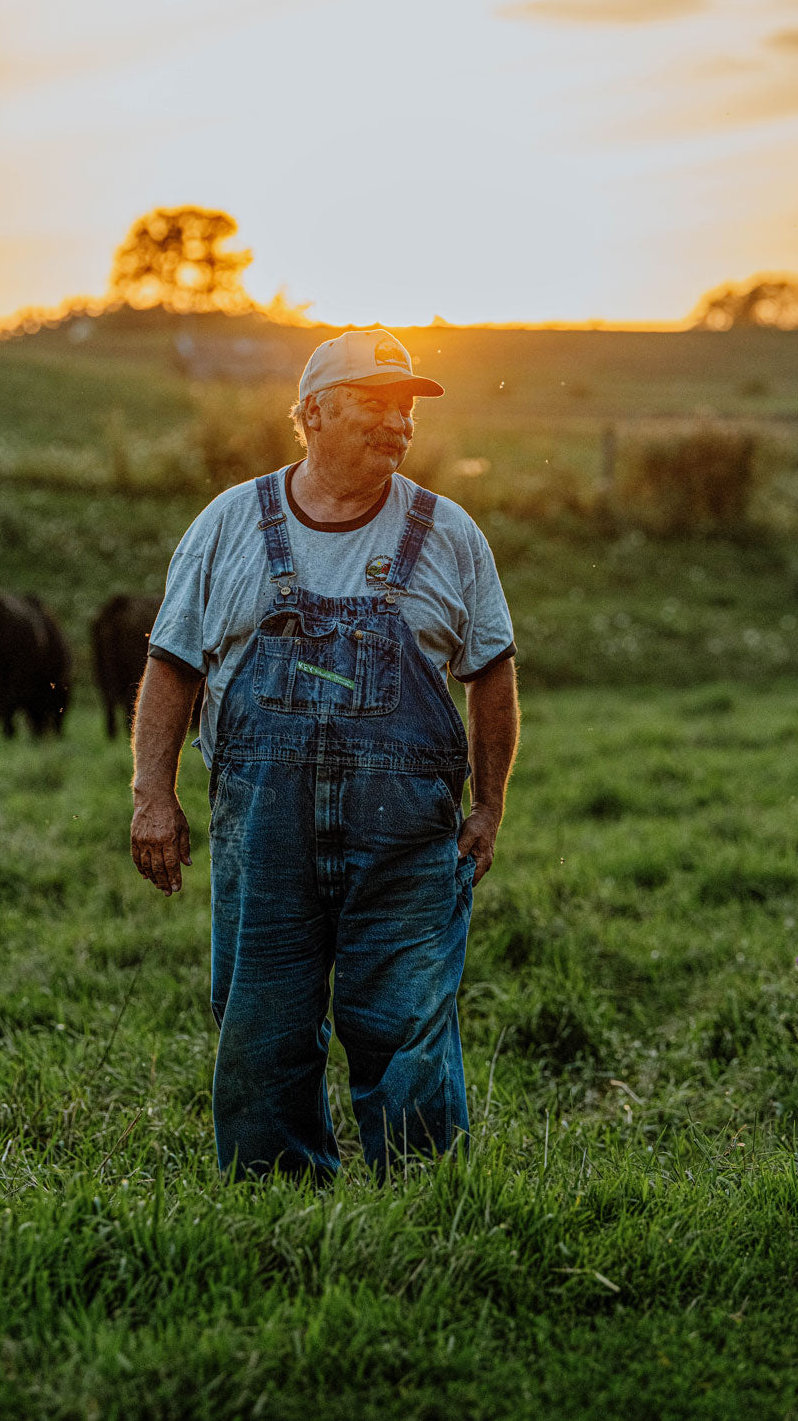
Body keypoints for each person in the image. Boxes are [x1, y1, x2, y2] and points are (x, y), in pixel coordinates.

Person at [130, 328, 519, 1181]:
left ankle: (424, 1207)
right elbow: (171, 663)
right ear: (311, 414)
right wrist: (151, 794)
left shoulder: (449, 535)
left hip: (407, 841)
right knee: (262, 1027)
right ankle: (279, 1208)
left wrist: (488, 808)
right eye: (377, 404)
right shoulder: (229, 525)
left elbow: (492, 672)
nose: (399, 425)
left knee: (409, 1024)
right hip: (263, 834)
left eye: (408, 408)